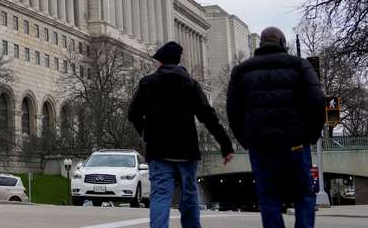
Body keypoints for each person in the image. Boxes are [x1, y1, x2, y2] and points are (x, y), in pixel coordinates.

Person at [129, 41, 234, 228]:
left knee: (160, 195)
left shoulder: (148, 83)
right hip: (186, 150)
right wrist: (225, 144)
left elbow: (133, 113)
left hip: (158, 149)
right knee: (190, 195)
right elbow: (208, 116)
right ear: (178, 61)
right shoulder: (190, 83)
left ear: (161, 62)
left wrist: (146, 132)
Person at [227, 27, 325, 228]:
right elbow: (317, 102)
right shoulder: (299, 66)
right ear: (282, 43)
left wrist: (245, 139)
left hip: (261, 145)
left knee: (269, 197)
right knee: (304, 194)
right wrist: (311, 135)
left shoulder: (241, 71)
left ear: (261, 44)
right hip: (295, 143)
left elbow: (233, 111)